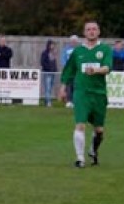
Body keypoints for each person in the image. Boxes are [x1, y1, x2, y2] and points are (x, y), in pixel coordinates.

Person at [59, 20, 112, 168]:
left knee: (99, 130)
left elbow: (108, 67)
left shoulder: (105, 49)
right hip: (81, 93)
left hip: (99, 93)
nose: (91, 31)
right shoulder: (78, 52)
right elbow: (69, 71)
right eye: (88, 29)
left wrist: (96, 70)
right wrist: (63, 87)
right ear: (84, 33)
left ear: (99, 32)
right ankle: (80, 158)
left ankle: (93, 151)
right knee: (80, 124)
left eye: (94, 29)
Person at [61, 34, 80, 108]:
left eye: (75, 41)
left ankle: (75, 101)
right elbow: (63, 59)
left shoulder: (79, 49)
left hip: (77, 71)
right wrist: (66, 67)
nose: (74, 42)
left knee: (76, 86)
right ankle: (69, 101)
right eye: (72, 41)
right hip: (69, 71)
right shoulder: (66, 49)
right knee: (68, 86)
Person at [40, 40, 58, 107]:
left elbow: (54, 63)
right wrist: (48, 68)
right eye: (51, 45)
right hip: (47, 72)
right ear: (48, 45)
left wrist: (55, 69)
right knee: (47, 87)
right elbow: (42, 62)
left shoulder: (53, 53)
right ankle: (48, 102)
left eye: (53, 45)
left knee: (50, 88)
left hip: (53, 72)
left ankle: (46, 100)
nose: (52, 46)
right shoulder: (44, 53)